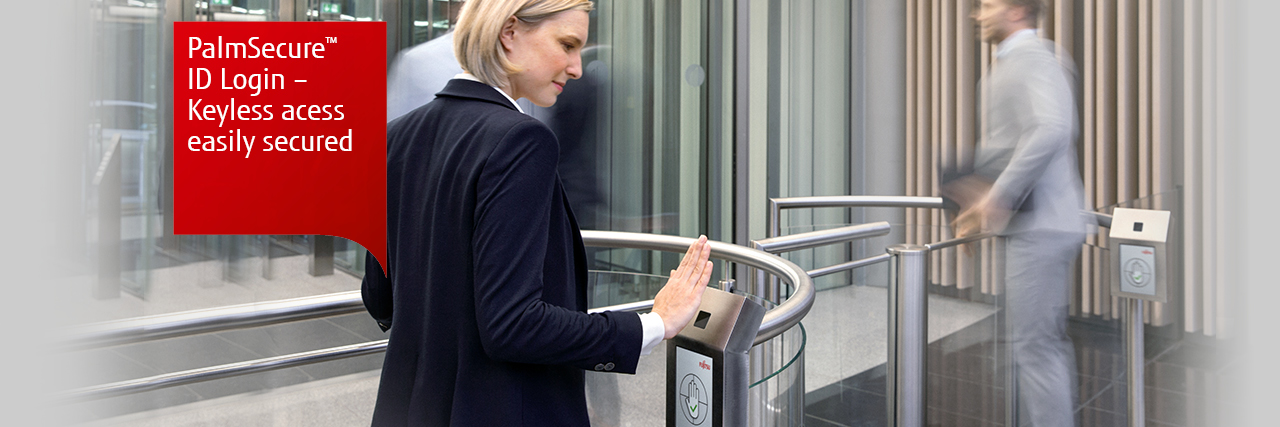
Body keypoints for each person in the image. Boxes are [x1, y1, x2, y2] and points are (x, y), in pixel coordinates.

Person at [361, 0, 714, 425]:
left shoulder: (396, 135)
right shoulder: (519, 140)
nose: (577, 67)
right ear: (509, 33)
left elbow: (379, 294)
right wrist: (655, 323)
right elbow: (513, 324)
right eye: (567, 44)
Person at [955, 0, 1086, 426]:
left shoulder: (1033, 56)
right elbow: (1012, 145)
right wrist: (981, 205)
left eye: (987, 6)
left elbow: (1051, 127)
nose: (978, 15)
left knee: (1035, 348)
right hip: (1030, 225)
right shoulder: (1013, 62)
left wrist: (997, 198)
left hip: (1041, 227)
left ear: (1016, 11)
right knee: (1028, 346)